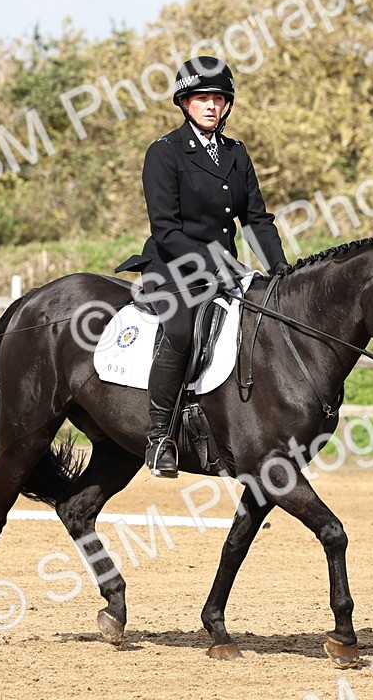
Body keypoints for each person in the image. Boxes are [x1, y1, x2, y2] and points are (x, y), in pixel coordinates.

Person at [115, 56, 290, 478]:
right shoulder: (165, 153)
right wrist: (217, 265)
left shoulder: (235, 153)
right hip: (172, 265)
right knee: (180, 329)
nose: (211, 105)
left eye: (218, 98)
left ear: (227, 105)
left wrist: (281, 270)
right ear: (185, 103)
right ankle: (160, 437)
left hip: (224, 268)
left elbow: (255, 219)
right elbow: (166, 228)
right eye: (201, 98)